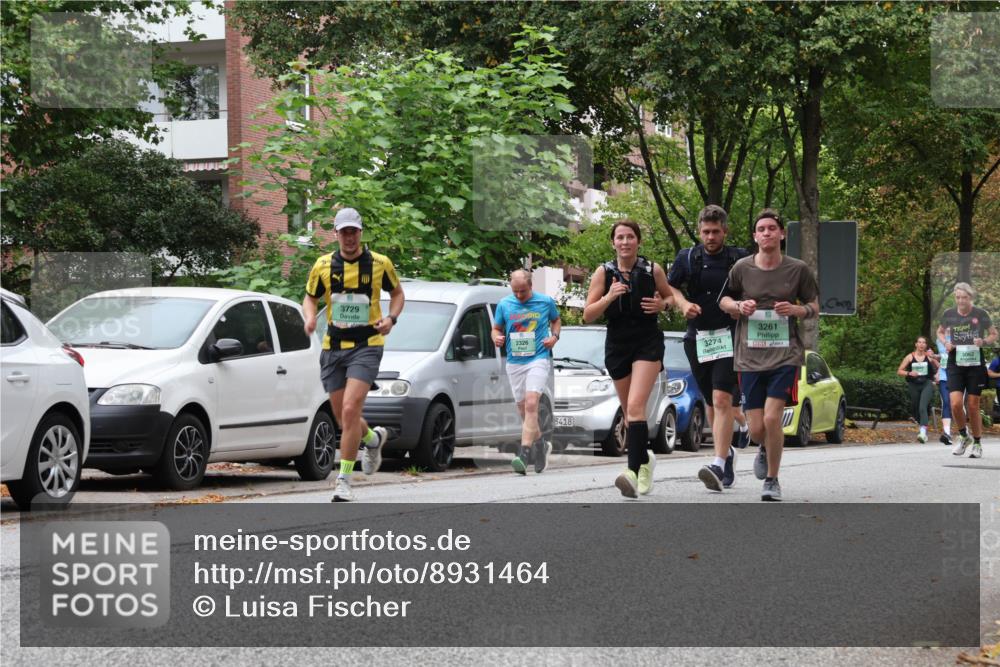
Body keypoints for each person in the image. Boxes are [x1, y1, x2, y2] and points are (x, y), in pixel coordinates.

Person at [303, 207, 405, 502]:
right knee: (342, 416)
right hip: (333, 347)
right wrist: (309, 318)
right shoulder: (323, 265)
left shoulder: (379, 263)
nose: (349, 237)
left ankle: (343, 481)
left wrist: (391, 319)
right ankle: (373, 439)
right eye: (344, 232)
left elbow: (397, 294)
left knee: (350, 410)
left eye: (354, 231)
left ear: (361, 233)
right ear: (335, 234)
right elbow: (309, 299)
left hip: (367, 345)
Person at [719, 209, 819, 502]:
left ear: (781, 233)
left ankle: (772, 480)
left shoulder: (797, 269)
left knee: (774, 418)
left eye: (772, 228)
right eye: (761, 229)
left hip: (784, 355)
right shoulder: (741, 268)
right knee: (758, 427)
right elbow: (723, 300)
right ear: (755, 236)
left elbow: (814, 303)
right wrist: (739, 307)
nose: (766, 233)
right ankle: (763, 446)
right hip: (749, 357)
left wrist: (798, 310)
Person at [583, 219, 672, 499]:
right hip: (618, 344)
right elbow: (588, 314)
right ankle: (645, 459)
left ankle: (632, 473)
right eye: (620, 237)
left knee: (635, 406)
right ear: (613, 243)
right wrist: (609, 296)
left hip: (647, 342)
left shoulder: (652, 269)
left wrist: (662, 304)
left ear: (638, 241)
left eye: (630, 237)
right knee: (630, 414)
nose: (625, 242)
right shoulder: (603, 272)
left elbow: (671, 298)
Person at [667, 204, 749, 492]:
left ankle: (717, 461)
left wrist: (741, 306)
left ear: (725, 231)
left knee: (722, 398)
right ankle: (727, 454)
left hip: (729, 335)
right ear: (699, 231)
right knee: (713, 404)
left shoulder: (739, 258)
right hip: (697, 338)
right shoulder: (687, 257)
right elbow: (671, 288)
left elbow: (755, 286)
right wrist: (683, 304)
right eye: (705, 232)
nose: (710, 237)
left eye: (716, 232)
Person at [491, 270, 561, 475]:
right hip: (515, 363)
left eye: (523, 291)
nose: (519, 296)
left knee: (532, 404)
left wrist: (554, 337)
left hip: (538, 358)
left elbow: (556, 321)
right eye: (515, 291)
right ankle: (541, 445)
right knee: (524, 412)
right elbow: (496, 328)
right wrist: (496, 337)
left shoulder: (545, 302)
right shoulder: (504, 304)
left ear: (531, 286)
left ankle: (524, 454)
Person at [937, 282, 998, 458]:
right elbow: (940, 331)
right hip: (955, 362)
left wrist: (984, 342)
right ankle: (964, 436)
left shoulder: (980, 314)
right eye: (958, 297)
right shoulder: (949, 314)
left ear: (970, 297)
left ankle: (977, 442)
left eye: (964, 297)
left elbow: (994, 334)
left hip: (975, 364)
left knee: (972, 405)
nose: (961, 301)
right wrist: (945, 342)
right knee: (955, 404)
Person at [896, 336, 939, 443]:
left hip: (927, 384)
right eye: (919, 342)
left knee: (922, 407)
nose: (921, 344)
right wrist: (909, 373)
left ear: (926, 345)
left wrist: (937, 376)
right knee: (916, 407)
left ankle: (923, 433)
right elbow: (899, 371)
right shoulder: (910, 357)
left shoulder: (929, 357)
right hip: (913, 385)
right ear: (916, 344)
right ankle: (922, 426)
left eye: (923, 343)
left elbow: (941, 366)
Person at [931, 337, 953, 445]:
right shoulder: (939, 340)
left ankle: (964, 432)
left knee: (957, 405)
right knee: (946, 402)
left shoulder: (961, 336)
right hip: (944, 377)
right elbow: (943, 356)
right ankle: (947, 433)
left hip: (958, 377)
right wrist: (934, 357)